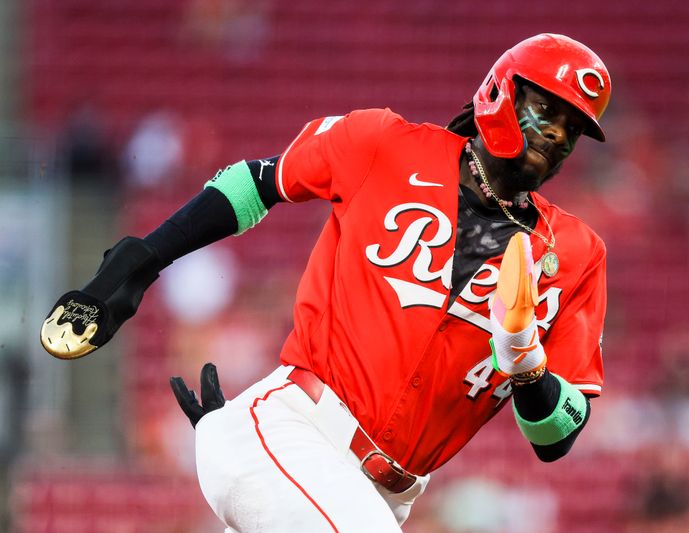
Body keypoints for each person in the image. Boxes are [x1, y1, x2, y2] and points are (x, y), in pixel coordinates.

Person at [41, 33, 611, 532]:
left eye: (573, 127)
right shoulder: (385, 143)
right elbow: (259, 182)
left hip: (382, 498)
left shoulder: (577, 254)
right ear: (500, 92)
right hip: (293, 432)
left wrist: (526, 364)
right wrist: (137, 264)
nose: (558, 134)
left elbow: (555, 438)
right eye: (547, 109)